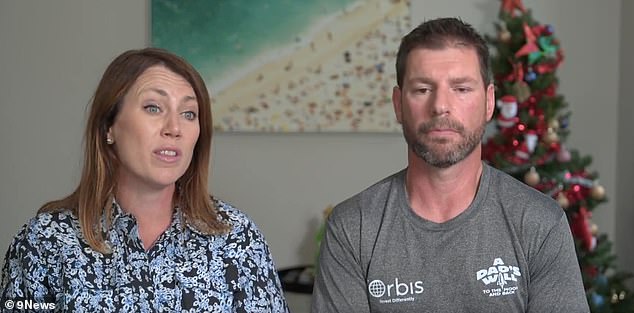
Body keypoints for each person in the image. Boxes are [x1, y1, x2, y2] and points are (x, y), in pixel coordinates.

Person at [312, 18, 588, 312]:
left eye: (461, 88)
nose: (441, 105)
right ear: (398, 105)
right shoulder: (353, 228)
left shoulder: (540, 224)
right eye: (422, 89)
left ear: (489, 102)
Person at [0, 48, 288, 312]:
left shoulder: (237, 239)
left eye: (189, 113)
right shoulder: (44, 241)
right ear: (108, 127)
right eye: (153, 107)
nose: (174, 128)